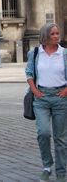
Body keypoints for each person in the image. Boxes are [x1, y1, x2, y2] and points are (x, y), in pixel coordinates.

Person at [25, 23, 67, 182]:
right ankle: (47, 167)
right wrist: (34, 90)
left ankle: (61, 173)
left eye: (58, 33)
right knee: (43, 133)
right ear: (45, 36)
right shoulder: (35, 53)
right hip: (41, 98)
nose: (57, 36)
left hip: (60, 98)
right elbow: (29, 72)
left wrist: (65, 91)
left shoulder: (64, 53)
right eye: (53, 34)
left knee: (60, 138)